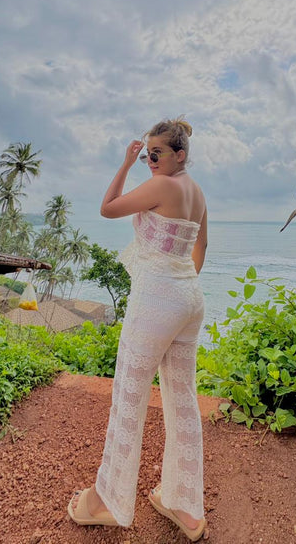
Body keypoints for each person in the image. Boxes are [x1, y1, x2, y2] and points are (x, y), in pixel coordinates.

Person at [67, 117, 208, 542]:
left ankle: (107, 501)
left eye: (157, 153)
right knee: (182, 399)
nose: (150, 159)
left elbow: (108, 207)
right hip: (189, 297)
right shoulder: (196, 192)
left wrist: (126, 164)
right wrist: (180, 288)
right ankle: (186, 506)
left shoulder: (162, 186)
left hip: (158, 299)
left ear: (179, 155)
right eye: (147, 154)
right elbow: (200, 246)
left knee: (129, 396)